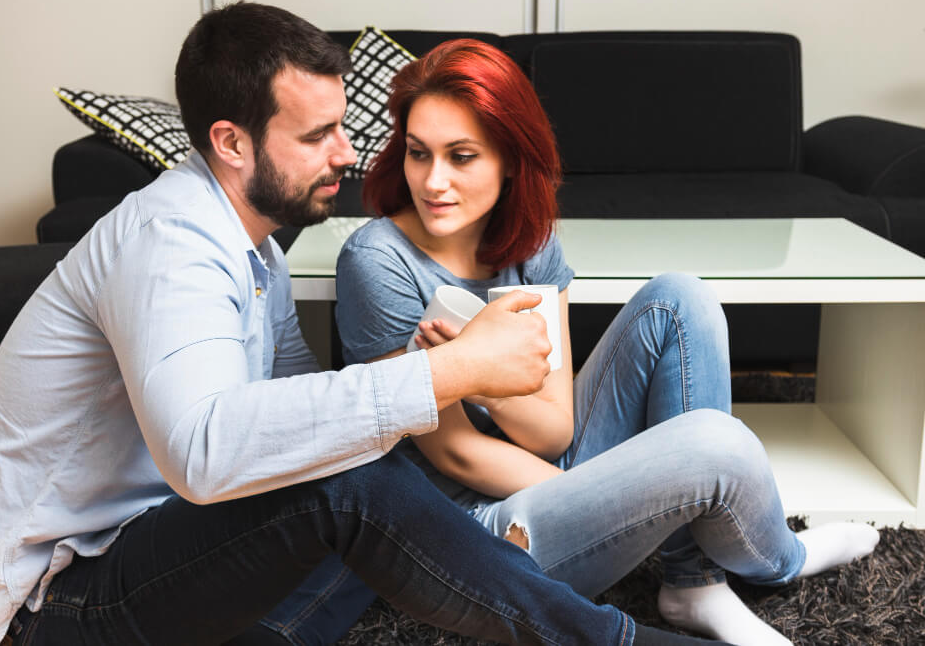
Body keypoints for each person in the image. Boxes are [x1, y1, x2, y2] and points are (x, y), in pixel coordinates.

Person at [0, 2, 729, 646]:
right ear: (230, 142)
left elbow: (302, 408)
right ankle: (610, 639)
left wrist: (433, 434)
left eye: (343, 126)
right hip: (52, 604)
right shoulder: (168, 243)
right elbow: (203, 451)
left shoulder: (256, 252)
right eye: (317, 134)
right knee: (357, 478)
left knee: (369, 463)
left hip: (159, 542)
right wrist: (453, 372)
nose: (350, 154)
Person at [334, 39, 881, 646]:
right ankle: (782, 559)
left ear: (511, 160)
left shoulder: (529, 243)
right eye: (418, 153)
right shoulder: (377, 263)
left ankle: (694, 581)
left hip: (543, 468)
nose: (433, 182)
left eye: (461, 156)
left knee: (681, 298)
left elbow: (556, 431)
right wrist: (623, 491)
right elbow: (455, 456)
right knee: (710, 447)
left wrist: (480, 368)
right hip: (470, 532)